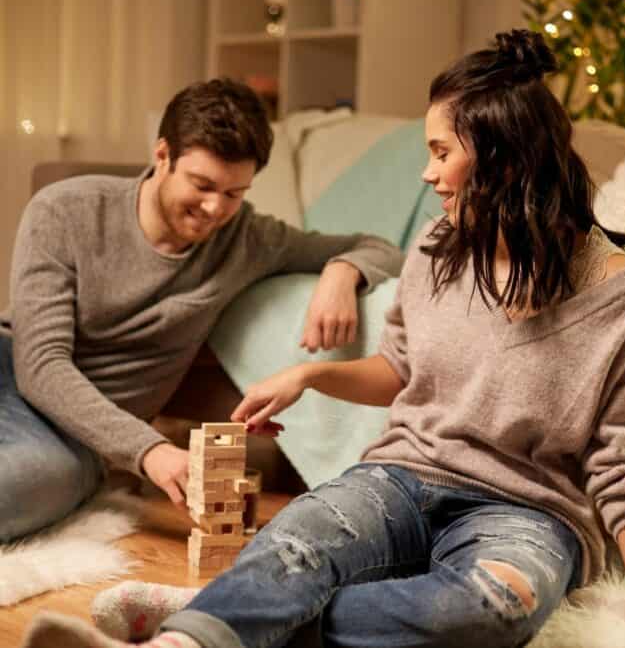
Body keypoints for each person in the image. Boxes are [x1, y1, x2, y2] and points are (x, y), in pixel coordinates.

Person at [20, 30, 625, 648]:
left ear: (501, 155)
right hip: (402, 477)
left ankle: (235, 617)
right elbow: (400, 369)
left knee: (490, 610)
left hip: (528, 513)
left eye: (440, 152)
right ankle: (194, 637)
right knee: (294, 544)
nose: (428, 174)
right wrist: (308, 377)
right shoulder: (439, 247)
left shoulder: (612, 290)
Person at [0, 77, 403, 543]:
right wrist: (150, 451)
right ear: (162, 155)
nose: (215, 209)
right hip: (13, 374)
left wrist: (342, 273)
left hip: (78, 441)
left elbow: (376, 246)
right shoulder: (65, 211)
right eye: (202, 185)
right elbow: (40, 366)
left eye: (235, 193)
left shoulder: (248, 239)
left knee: (29, 485)